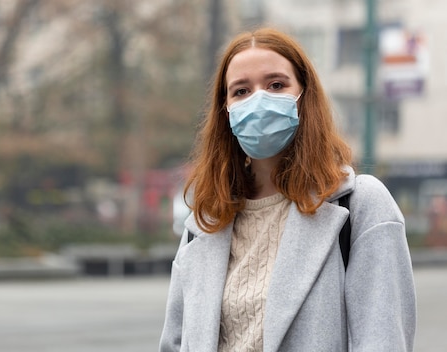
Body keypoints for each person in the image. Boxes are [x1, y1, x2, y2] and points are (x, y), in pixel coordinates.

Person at [159, 27, 416, 352]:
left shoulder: (360, 205)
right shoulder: (206, 222)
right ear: (225, 111)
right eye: (240, 91)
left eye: (276, 85)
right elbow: (175, 342)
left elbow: (383, 341)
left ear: (304, 95)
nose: (258, 100)